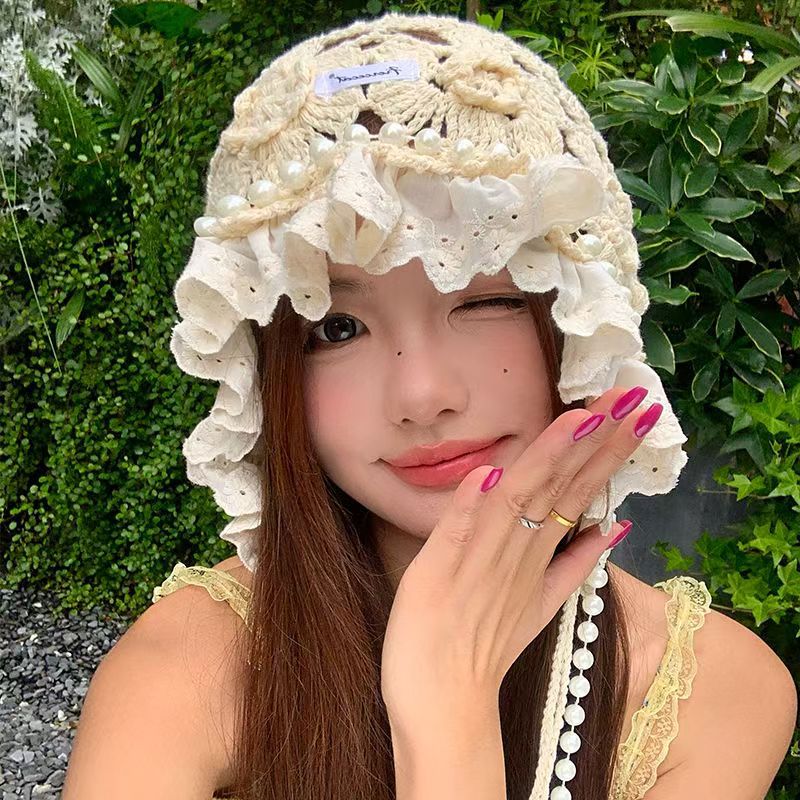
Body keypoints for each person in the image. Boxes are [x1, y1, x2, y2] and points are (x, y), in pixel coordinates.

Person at [63, 12, 797, 800]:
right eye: (336, 327)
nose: (422, 396)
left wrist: (449, 703)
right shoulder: (182, 676)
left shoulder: (711, 694)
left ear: (584, 317)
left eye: (486, 299)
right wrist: (446, 709)